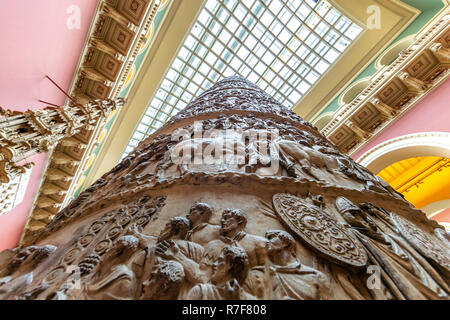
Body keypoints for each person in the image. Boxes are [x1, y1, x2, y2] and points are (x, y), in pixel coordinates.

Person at [265, 230, 330, 300]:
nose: (266, 241)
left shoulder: (316, 276)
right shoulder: (267, 275)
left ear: (285, 242)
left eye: (270, 238)